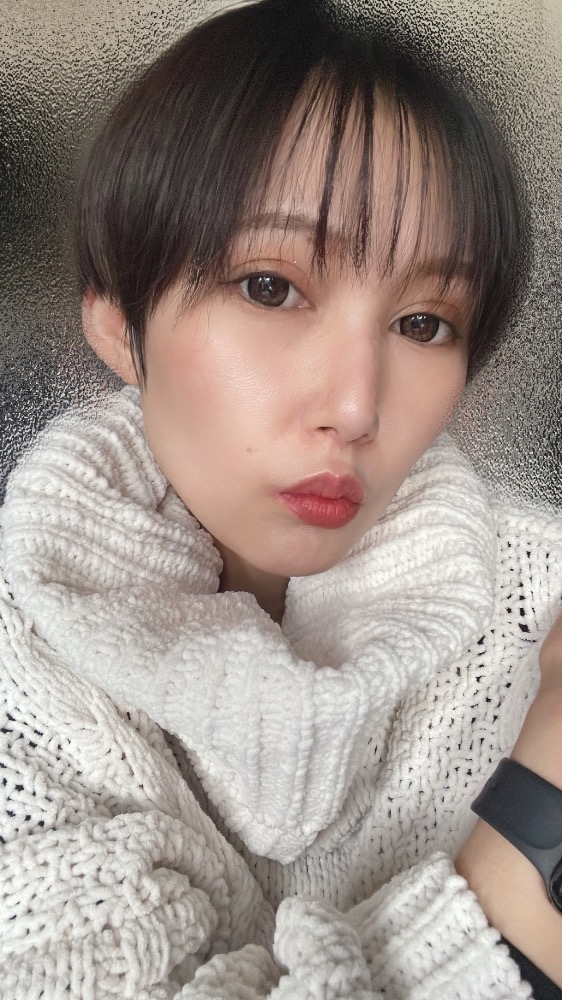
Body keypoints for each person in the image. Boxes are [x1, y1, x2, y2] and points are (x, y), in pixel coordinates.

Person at [0, 0, 561, 996]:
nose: (354, 405)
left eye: (424, 322)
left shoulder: (537, 606)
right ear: (121, 326)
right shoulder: (20, 661)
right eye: (270, 287)